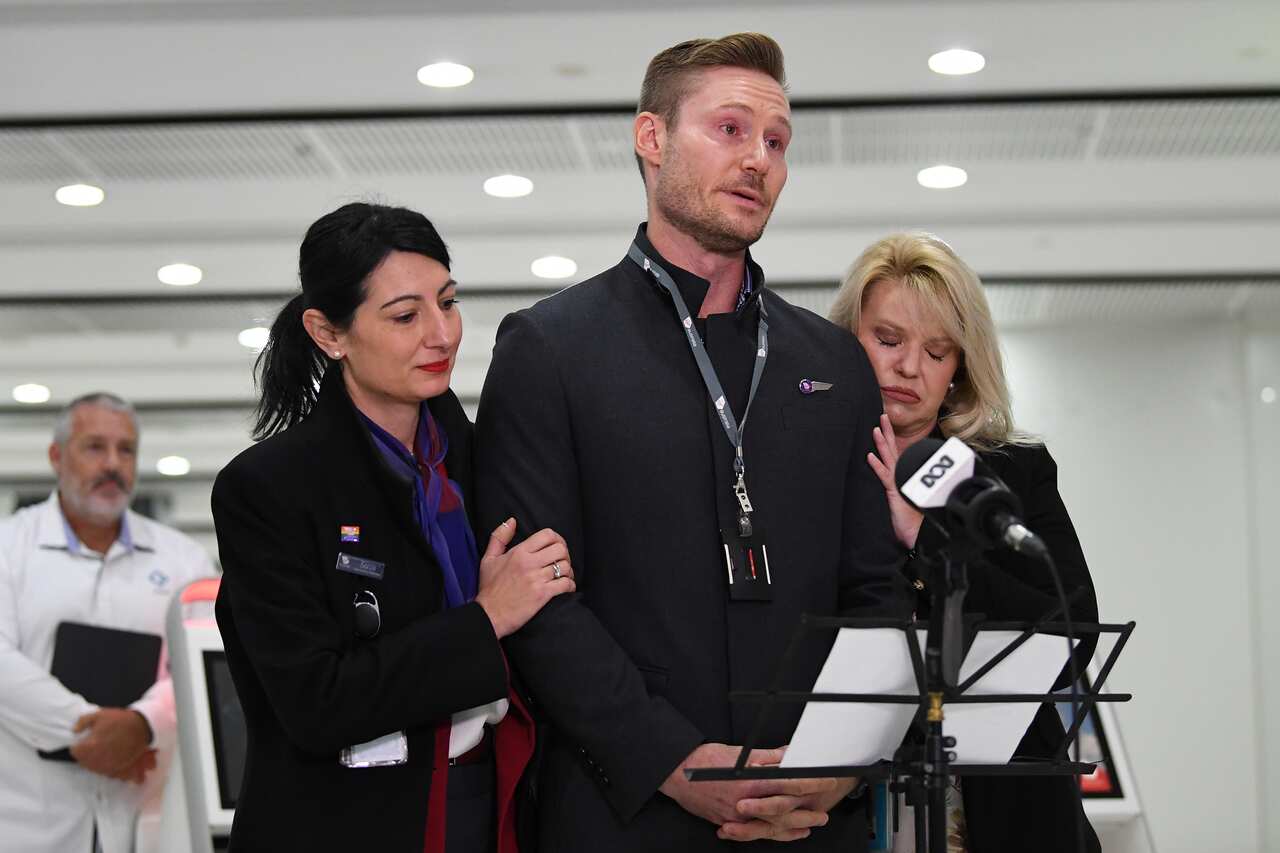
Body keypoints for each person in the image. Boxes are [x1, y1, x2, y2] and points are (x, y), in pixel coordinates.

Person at [475, 33, 905, 851]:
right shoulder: (551, 348)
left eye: (776, 142)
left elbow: (876, 588)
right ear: (652, 137)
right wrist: (675, 761)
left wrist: (842, 762)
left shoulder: (832, 362)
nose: (758, 160)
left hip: (813, 818)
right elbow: (538, 604)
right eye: (730, 129)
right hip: (626, 811)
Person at [211, 202, 575, 852]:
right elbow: (317, 702)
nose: (442, 334)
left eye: (448, 302)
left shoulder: (481, 459)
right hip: (346, 822)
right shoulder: (269, 488)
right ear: (329, 333)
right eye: (406, 316)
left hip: (492, 800)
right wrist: (486, 617)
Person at [828, 232, 1102, 853]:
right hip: (845, 804)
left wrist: (924, 537)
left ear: (959, 370)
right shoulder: (807, 469)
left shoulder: (1012, 473)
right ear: (845, 342)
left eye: (937, 351)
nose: (909, 367)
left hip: (1005, 809)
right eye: (888, 340)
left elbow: (1073, 631)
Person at [0, 392, 215, 853]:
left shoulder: (184, 560)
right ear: (57, 456)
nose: (113, 464)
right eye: (95, 447)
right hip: (25, 820)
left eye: (126, 450)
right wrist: (96, 734)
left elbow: (203, 664)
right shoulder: (8, 547)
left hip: (146, 814)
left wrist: (143, 724)